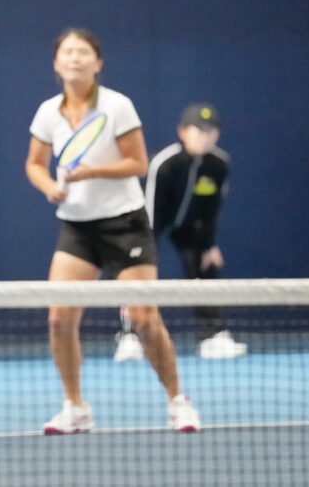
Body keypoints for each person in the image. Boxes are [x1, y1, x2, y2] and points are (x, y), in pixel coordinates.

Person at [25, 27, 201, 435]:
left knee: (143, 318)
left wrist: (93, 171)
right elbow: (34, 163)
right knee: (59, 319)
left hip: (125, 225)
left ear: (97, 63)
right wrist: (50, 186)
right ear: (56, 63)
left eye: (83, 52)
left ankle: (178, 400)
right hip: (77, 228)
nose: (74, 58)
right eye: (67, 52)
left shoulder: (117, 106)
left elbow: (138, 163)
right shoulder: (48, 112)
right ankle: (75, 407)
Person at [114, 103, 246, 361]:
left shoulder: (219, 164)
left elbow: (212, 210)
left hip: (188, 226)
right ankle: (130, 335)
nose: (205, 137)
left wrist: (209, 245)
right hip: (143, 223)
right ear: (182, 131)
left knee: (206, 263)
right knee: (135, 271)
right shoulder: (165, 164)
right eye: (198, 130)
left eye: (211, 131)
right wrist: (142, 253)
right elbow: (149, 215)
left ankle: (212, 337)